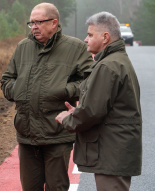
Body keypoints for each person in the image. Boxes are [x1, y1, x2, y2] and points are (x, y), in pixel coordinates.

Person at [0, 3, 93, 191]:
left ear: (54, 23)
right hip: (27, 135)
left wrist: (64, 90)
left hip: (57, 134)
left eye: (39, 22)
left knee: (56, 187)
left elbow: (90, 83)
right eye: (31, 23)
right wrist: (18, 90)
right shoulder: (23, 47)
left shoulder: (75, 47)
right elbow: (7, 80)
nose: (34, 27)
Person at [56, 12, 142, 191]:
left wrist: (67, 119)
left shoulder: (107, 66)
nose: (85, 40)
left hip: (111, 152)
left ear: (105, 37)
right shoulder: (117, 61)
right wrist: (78, 111)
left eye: (90, 35)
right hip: (114, 149)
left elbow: (92, 112)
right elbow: (105, 106)